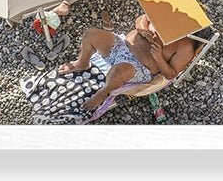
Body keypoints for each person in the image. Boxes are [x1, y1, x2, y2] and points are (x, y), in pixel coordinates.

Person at [23, 14, 201, 122]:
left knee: (118, 71)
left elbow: (171, 74)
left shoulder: (185, 46)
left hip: (140, 66)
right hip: (121, 45)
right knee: (91, 33)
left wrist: (159, 57)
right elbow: (141, 19)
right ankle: (82, 63)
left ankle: (104, 92)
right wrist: (143, 29)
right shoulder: (163, 17)